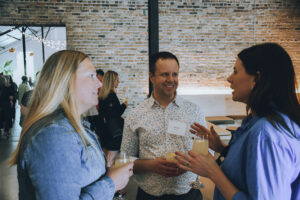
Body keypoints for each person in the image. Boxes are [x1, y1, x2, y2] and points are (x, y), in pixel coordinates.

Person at [175, 43, 300, 200]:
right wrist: (223, 149)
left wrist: (213, 171)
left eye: (235, 71)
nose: (229, 78)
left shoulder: (265, 134)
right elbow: (249, 172)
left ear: (257, 78)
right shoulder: (257, 122)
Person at [8, 50, 133, 200]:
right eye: (91, 76)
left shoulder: (75, 125)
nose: (99, 83)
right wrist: (111, 183)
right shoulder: (54, 135)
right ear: (66, 81)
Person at [120, 52, 206, 200]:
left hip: (189, 193)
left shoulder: (194, 111)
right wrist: (152, 165)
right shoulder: (135, 114)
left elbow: (206, 153)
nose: (171, 80)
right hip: (149, 195)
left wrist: (188, 164)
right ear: (151, 77)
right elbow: (125, 160)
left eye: (175, 74)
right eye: (165, 74)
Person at [98, 70, 128, 167]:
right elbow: (115, 114)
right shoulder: (111, 95)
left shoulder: (102, 95)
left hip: (104, 130)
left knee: (107, 157)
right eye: (117, 80)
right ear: (112, 81)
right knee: (111, 159)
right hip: (113, 132)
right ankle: (111, 179)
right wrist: (124, 105)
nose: (118, 82)